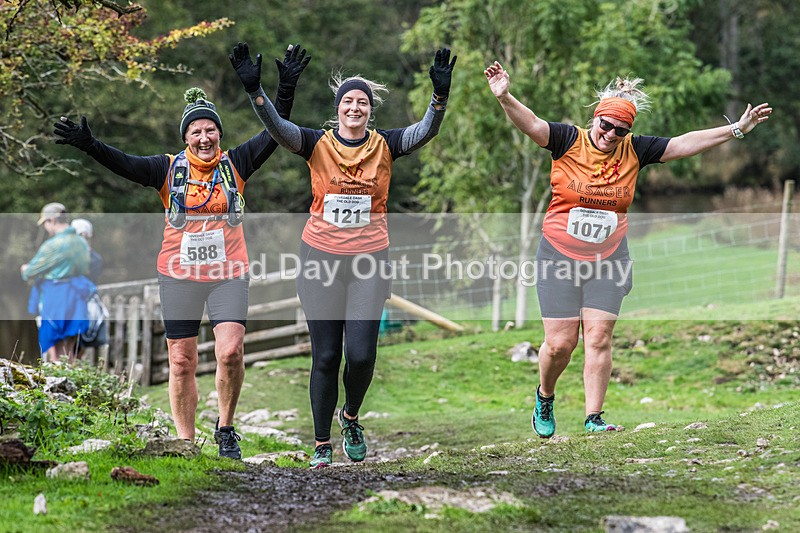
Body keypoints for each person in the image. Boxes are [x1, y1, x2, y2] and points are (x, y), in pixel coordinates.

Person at [484, 62, 772, 437]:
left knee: (599, 336)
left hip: (609, 259)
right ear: (596, 119)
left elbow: (684, 143)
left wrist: (736, 129)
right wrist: (505, 96)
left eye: (621, 130)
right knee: (560, 344)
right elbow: (532, 124)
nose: (612, 135)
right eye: (607, 126)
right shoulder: (567, 140)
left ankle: (594, 418)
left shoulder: (635, 150)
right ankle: (545, 395)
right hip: (558, 256)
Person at [53, 46, 311, 459]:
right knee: (181, 362)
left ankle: (225, 429)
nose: (205, 137)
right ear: (186, 137)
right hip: (179, 274)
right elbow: (123, 163)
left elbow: (276, 133)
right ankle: (186, 442)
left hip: (228, 271)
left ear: (219, 136)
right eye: (197, 132)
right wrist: (90, 145)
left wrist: (284, 91)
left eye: (211, 130)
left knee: (230, 351)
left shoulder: (237, 164)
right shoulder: (167, 169)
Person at [229, 42, 456, 468]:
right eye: (349, 101)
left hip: (369, 261)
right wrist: (256, 92)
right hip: (320, 260)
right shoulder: (315, 143)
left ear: (371, 111)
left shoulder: (386, 145)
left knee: (363, 354)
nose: (356, 107)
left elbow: (426, 130)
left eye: (362, 102)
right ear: (338, 109)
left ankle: (350, 416)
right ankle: (320, 445)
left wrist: (438, 99)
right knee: (327, 355)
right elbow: (278, 130)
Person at [21, 202, 93, 363]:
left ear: (52, 220)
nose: (46, 227)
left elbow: (31, 272)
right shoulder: (81, 242)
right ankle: (72, 381)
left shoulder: (53, 245)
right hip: (76, 295)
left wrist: (25, 269)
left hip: (56, 297)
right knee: (70, 346)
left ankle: (58, 383)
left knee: (54, 346)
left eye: (45, 223)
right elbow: (85, 267)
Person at [71, 218, 110, 361]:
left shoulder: (88, 258)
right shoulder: (95, 258)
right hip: (85, 304)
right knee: (76, 346)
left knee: (73, 345)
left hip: (79, 304)